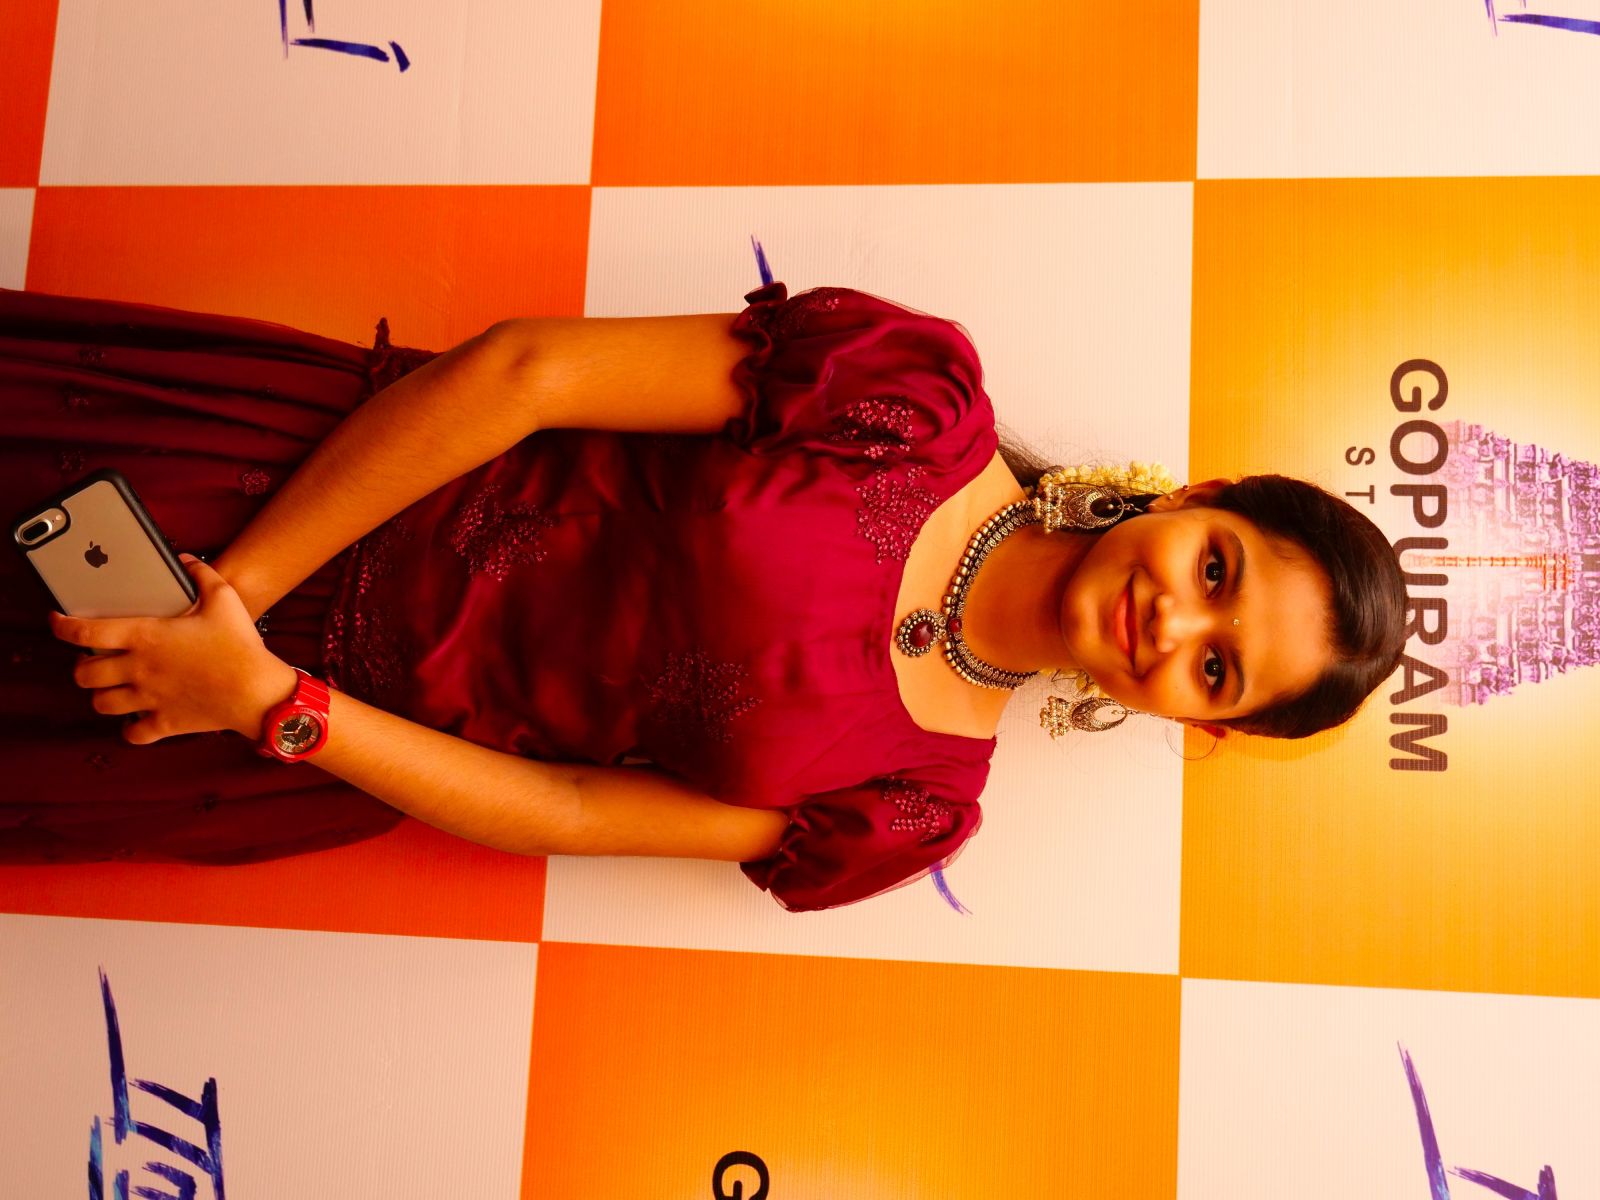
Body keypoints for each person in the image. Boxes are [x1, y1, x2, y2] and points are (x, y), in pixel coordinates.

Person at [0, 281, 1409, 911]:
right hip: (282, 489)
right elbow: (527, 374)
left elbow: (568, 814)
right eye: (1218, 571)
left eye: (1217, 666)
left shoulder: (910, 807)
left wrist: (271, 703)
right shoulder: (911, 401)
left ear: (1196, 722)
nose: (1178, 622)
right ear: (1195, 499)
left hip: (275, 739)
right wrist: (231, 601)